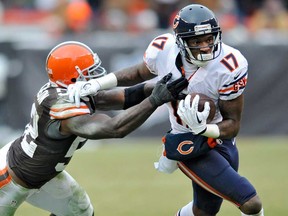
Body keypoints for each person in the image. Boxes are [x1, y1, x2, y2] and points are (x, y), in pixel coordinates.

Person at [67, 4, 264, 216]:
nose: (206, 46)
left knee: (204, 211)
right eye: (197, 41)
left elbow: (232, 125)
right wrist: (99, 84)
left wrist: (204, 127)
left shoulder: (230, 65)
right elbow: (138, 73)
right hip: (187, 142)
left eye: (209, 39)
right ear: (181, 42)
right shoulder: (164, 49)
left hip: (220, 139)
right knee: (250, 203)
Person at [0, 41, 187, 216]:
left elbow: (125, 97)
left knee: (80, 211)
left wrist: (162, 87)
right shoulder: (61, 106)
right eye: (88, 73)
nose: (94, 77)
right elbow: (114, 128)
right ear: (71, 77)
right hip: (10, 180)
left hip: (39, 174)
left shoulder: (68, 91)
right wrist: (155, 100)